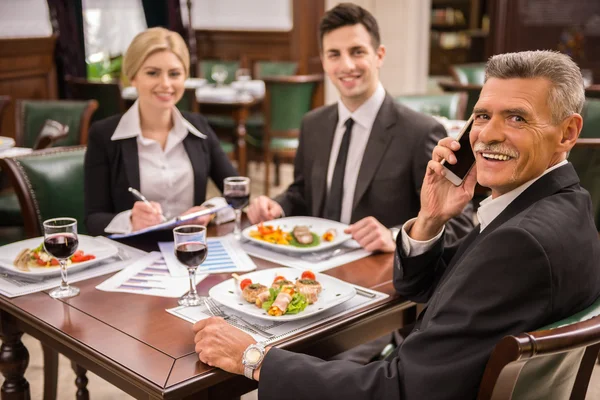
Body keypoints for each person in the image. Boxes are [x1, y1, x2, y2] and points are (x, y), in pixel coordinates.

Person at [192, 50, 600, 399]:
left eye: (517, 119)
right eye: (481, 115)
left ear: (568, 133)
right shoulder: (564, 205)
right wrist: (430, 218)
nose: (487, 136)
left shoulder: (519, 242)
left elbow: (399, 389)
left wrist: (254, 358)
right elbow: (427, 288)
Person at [246, 3, 473, 253]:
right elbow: (301, 193)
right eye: (334, 54)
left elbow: (460, 223)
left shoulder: (420, 132)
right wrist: (278, 206)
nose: (346, 66)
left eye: (357, 52)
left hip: (377, 276)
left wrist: (396, 236)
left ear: (379, 55)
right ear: (323, 61)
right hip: (311, 268)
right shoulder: (313, 124)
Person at [84, 27, 237, 236]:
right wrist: (130, 220)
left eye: (174, 74)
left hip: (191, 251)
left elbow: (236, 193)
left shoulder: (199, 127)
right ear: (133, 77)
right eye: (152, 73)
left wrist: (209, 211)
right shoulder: (103, 135)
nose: (165, 84)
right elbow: (92, 219)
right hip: (133, 255)